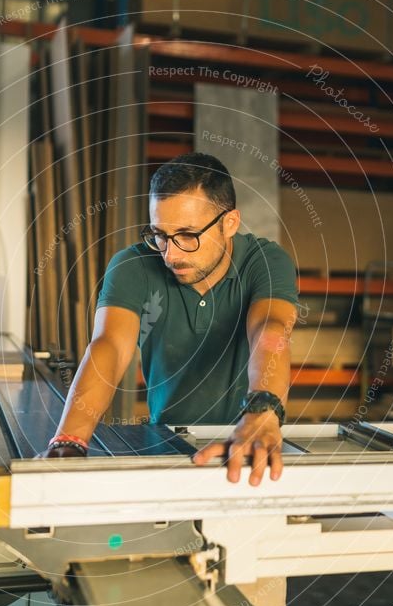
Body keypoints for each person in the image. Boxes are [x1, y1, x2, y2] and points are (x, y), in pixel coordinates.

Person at [41, 152, 298, 488]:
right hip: (165, 442)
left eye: (188, 235)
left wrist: (263, 410)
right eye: (160, 234)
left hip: (251, 440)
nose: (170, 254)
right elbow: (110, 347)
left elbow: (270, 331)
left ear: (230, 223)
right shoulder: (132, 266)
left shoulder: (266, 261)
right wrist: (68, 441)